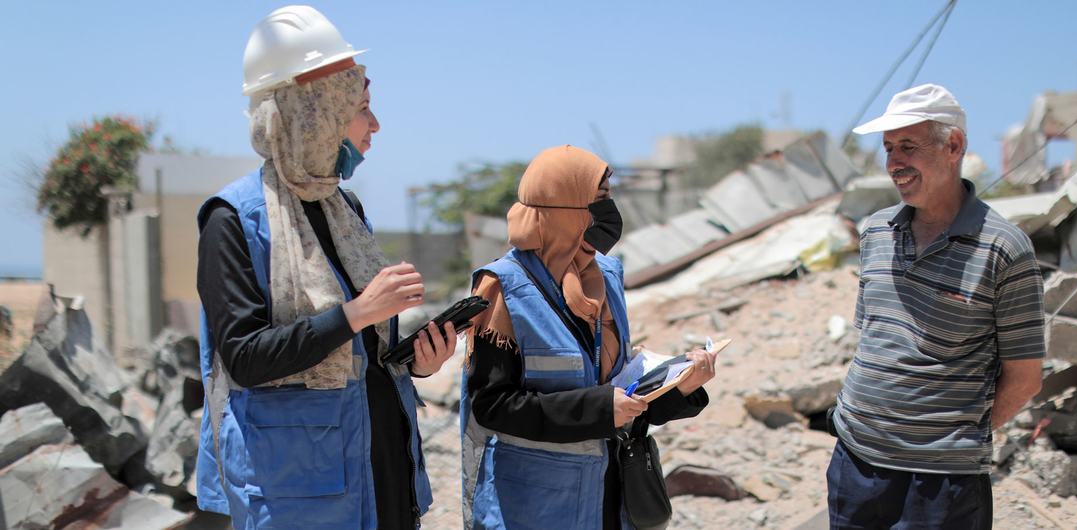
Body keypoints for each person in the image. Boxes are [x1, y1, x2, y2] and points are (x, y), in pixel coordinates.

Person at [194, 6, 456, 529]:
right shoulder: (232, 220)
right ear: (316, 113)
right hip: (298, 492)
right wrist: (357, 313)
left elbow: (363, 355)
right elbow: (245, 357)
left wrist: (416, 361)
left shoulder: (345, 210)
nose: (375, 125)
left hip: (380, 471)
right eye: (361, 108)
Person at [459, 145, 717, 530]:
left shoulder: (606, 275)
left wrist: (680, 388)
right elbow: (492, 406)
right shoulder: (502, 287)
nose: (608, 213)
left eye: (609, 199)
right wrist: (597, 409)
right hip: (536, 506)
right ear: (560, 207)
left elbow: (620, 391)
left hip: (612, 498)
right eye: (597, 200)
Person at [828, 84, 1045, 529]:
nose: (894, 163)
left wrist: (957, 441)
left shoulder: (1004, 248)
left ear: (955, 146)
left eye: (908, 146)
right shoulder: (875, 233)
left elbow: (1024, 380)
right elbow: (873, 340)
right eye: (888, 148)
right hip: (855, 464)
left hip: (942, 486)